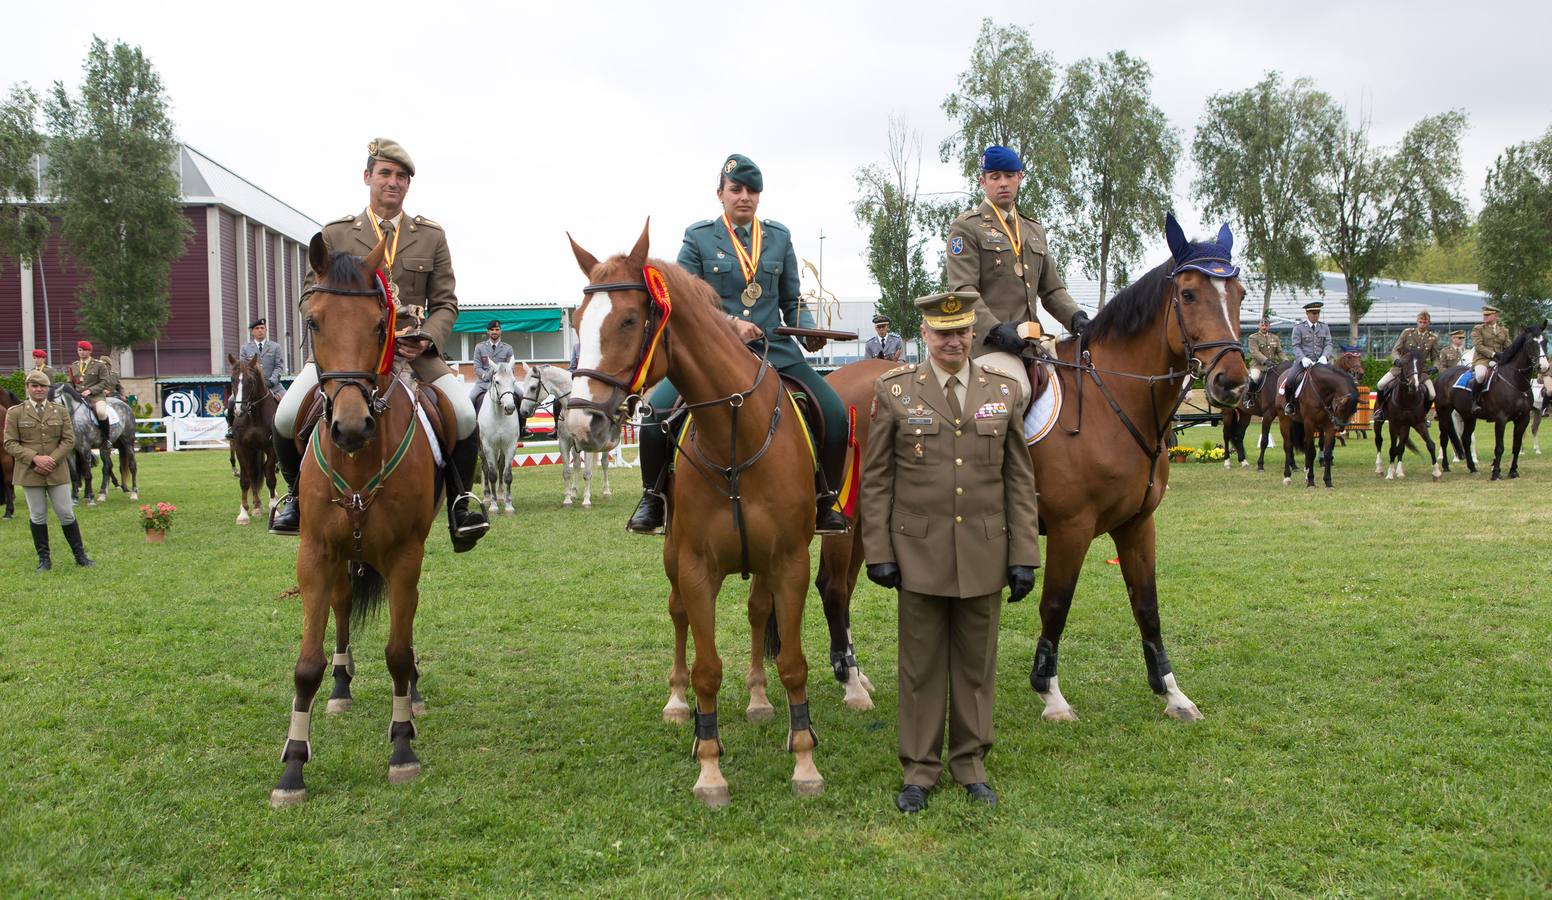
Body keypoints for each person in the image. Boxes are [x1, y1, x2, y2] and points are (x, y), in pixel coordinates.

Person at [860, 291, 1038, 814]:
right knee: (919, 666)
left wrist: (1023, 553)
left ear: (972, 335)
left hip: (985, 549)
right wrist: (878, 550)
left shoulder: (1003, 392)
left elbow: (1019, 481)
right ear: (925, 335)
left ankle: (971, 764)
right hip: (918, 552)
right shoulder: (895, 391)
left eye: (961, 332)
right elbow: (876, 481)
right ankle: (919, 769)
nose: (953, 341)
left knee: (977, 666)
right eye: (942, 333)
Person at [269, 137, 489, 550]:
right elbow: (307, 297)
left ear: (408, 185)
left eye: (401, 176)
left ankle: (461, 502)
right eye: (385, 173)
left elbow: (446, 303)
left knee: (462, 413)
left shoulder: (430, 237)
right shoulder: (335, 233)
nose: (393, 182)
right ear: (367, 177)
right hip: (348, 355)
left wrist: (427, 338)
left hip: (413, 353)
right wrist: (338, 328)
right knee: (284, 416)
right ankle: (295, 498)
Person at [627, 153, 850, 536]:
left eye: (752, 190)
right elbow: (685, 300)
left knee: (834, 413)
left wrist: (809, 330)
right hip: (710, 354)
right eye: (736, 189)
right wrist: (730, 324)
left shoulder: (779, 237)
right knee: (655, 416)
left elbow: (791, 301)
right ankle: (653, 499)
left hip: (774, 350)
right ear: (720, 194)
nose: (744, 196)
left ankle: (825, 501)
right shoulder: (698, 237)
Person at [945, 145, 1090, 406]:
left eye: (1010, 176)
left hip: (1034, 345)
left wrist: (1077, 318)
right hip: (991, 347)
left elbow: (1052, 290)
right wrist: (995, 329)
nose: (1003, 183)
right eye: (995, 176)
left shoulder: (1033, 229)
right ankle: (1000, 449)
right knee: (1015, 394)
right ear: (983, 181)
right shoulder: (967, 227)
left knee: (1081, 387)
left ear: (1020, 178)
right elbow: (963, 290)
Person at [4, 370, 93, 570]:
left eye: (43, 386)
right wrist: (35, 458)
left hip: (56, 470)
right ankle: (44, 560)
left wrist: (51, 460)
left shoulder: (60, 410)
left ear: (47, 389)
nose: (39, 390)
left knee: (66, 513)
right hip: (30, 471)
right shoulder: (16, 412)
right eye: (35, 386)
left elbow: (69, 440)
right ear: (27, 388)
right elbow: (9, 443)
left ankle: (80, 556)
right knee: (37, 515)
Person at [226, 319, 285, 437]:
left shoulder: (275, 347)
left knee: (288, 402)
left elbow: (279, 366)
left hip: (274, 386)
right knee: (231, 401)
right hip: (251, 387)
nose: (260, 331)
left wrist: (271, 381)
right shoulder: (245, 348)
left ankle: (286, 431)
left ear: (266, 330)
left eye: (262, 328)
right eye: (257, 329)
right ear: (252, 332)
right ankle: (231, 428)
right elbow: (242, 367)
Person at [1374, 311, 1439, 410]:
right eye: (1420, 322)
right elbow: (1396, 349)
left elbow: (1435, 357)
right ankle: (1380, 410)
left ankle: (1423, 415)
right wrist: (1397, 360)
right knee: (1381, 384)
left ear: (1429, 323)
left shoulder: (1432, 338)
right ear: (1417, 322)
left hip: (1421, 372)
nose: (1422, 324)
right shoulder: (1407, 333)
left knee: (1432, 394)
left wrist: (1435, 366)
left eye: (1425, 322)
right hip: (1401, 369)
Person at [1283, 301, 1334, 415]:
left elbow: (1329, 344)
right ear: (1307, 313)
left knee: (1336, 378)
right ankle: (1290, 404)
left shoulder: (1324, 327)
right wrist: (1303, 359)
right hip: (1303, 362)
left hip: (1321, 362)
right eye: (1313, 313)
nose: (1316, 315)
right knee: (1290, 379)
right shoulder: (1299, 328)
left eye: (1317, 313)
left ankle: (1333, 405)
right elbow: (1296, 346)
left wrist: (1325, 356)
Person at [68, 340, 112, 446]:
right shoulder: (73, 366)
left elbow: (105, 381)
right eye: (80, 350)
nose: (82, 352)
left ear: (90, 351)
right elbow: (70, 382)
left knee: (101, 413)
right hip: (78, 397)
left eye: (84, 350)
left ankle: (106, 439)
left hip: (96, 397)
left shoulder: (99, 365)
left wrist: (90, 390)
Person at [1247, 318, 1282, 391]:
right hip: (1258, 366)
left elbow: (1279, 352)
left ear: (1269, 326)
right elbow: (1255, 352)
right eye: (1262, 325)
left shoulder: (1275, 338)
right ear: (1259, 326)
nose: (1264, 327)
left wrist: (1285, 361)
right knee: (1255, 377)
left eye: (1266, 325)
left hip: (1272, 366)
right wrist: (1266, 361)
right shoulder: (1253, 337)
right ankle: (1249, 397)